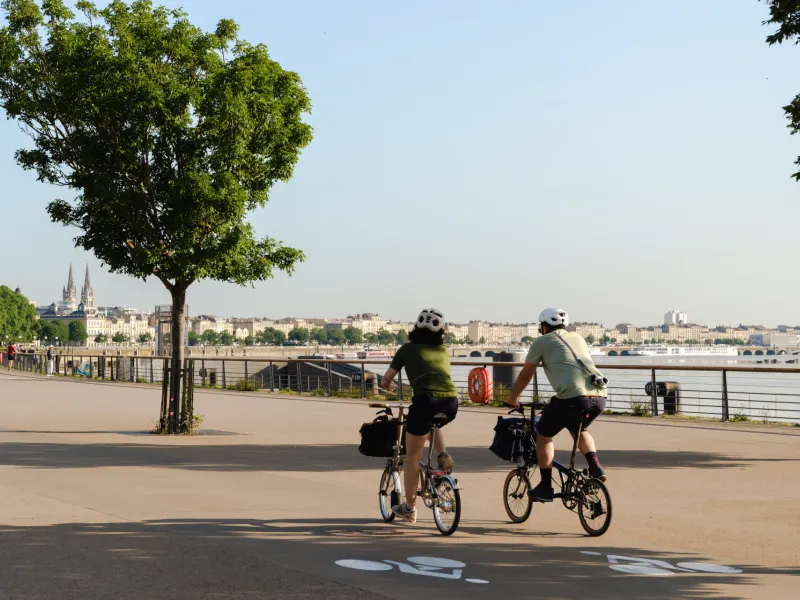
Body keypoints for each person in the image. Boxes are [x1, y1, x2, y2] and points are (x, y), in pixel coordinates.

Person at [506, 307, 608, 503]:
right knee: (579, 429)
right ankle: (596, 467)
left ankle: (545, 486)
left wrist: (512, 399)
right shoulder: (577, 337)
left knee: (543, 435)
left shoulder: (542, 341)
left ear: (544, 326)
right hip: (598, 396)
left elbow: (525, 375)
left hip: (573, 398)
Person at [381, 309, 458, 523]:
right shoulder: (442, 350)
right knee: (433, 422)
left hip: (425, 402)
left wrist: (390, 386)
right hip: (451, 402)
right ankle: (443, 455)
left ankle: (409, 507)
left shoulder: (407, 349)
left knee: (412, 457)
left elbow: (386, 380)